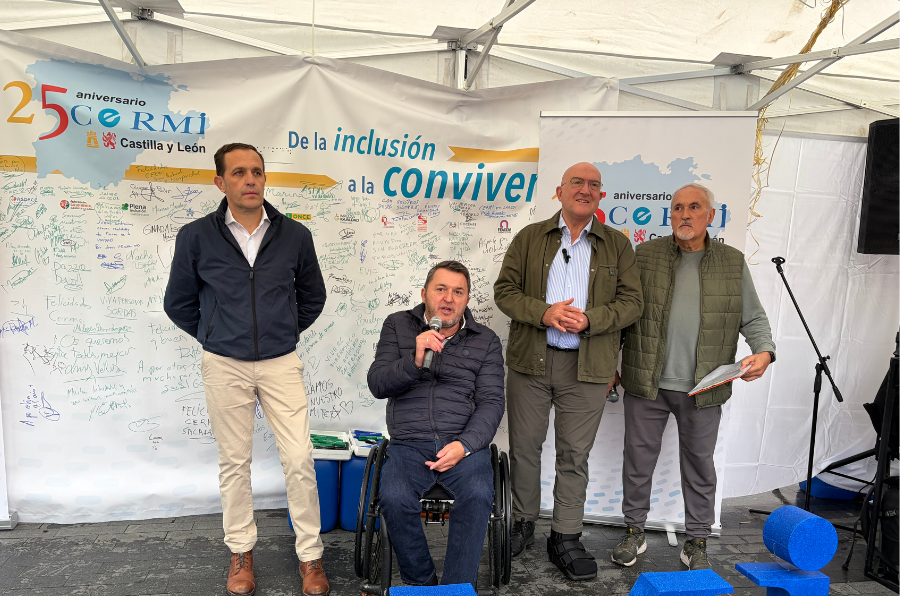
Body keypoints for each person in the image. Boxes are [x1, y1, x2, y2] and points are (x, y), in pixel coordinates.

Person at [164, 143, 330, 596]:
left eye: (256, 171)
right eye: (239, 172)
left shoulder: (295, 235)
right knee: (234, 462)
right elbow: (178, 302)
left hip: (280, 362)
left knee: (299, 458)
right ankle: (240, 553)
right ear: (221, 182)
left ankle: (310, 556)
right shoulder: (196, 236)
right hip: (224, 364)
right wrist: (216, 335)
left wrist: (281, 331)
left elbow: (313, 296)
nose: (250, 179)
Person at [613, 183, 776, 571]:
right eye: (677, 208)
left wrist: (765, 351)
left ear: (710, 215)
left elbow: (753, 317)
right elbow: (622, 313)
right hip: (646, 383)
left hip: (704, 388)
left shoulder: (731, 262)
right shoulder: (645, 256)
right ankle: (634, 533)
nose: (684, 215)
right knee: (637, 463)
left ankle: (696, 540)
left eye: (694, 207)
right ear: (670, 215)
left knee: (700, 467)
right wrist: (605, 368)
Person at [494, 162, 643, 581]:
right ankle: (522, 521)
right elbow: (504, 291)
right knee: (525, 448)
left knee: (574, 456)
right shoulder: (529, 238)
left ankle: (565, 535)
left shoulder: (618, 246)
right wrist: (544, 313)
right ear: (559, 191)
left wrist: (591, 319)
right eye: (577, 182)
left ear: (601, 196)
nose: (585, 189)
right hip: (531, 362)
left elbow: (633, 303)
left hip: (588, 367)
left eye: (594, 184)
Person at [367, 260, 505, 588]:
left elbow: (492, 402)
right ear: (424, 294)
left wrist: (465, 445)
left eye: (458, 292)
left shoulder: (486, 340)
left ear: (467, 299)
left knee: (478, 494)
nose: (448, 298)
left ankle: (455, 589)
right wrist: (414, 360)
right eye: (440, 289)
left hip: (463, 444)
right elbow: (378, 383)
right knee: (393, 497)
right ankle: (423, 584)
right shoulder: (397, 325)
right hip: (409, 442)